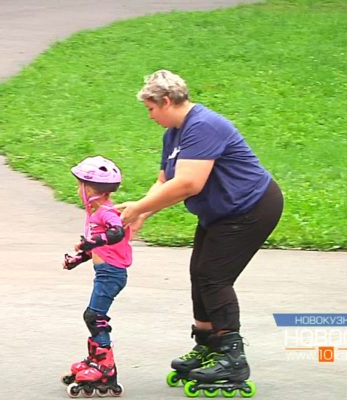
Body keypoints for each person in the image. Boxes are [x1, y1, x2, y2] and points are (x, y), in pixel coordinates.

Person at [117, 70, 283, 394]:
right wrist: (143, 212)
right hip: (221, 212)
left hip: (251, 207)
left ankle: (232, 357)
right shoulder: (174, 133)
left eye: (150, 108)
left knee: (214, 276)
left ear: (166, 101)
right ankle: (208, 345)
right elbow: (166, 180)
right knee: (200, 273)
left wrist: (138, 206)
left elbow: (189, 184)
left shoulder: (203, 125)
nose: (149, 116)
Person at [61, 156, 131, 398]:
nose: (78, 189)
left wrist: (91, 241)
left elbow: (116, 232)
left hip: (111, 274)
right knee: (93, 316)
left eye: (80, 184)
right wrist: (77, 259)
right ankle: (96, 359)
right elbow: (97, 249)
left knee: (94, 316)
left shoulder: (106, 212)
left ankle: (105, 366)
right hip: (106, 272)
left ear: (89, 188)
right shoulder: (96, 214)